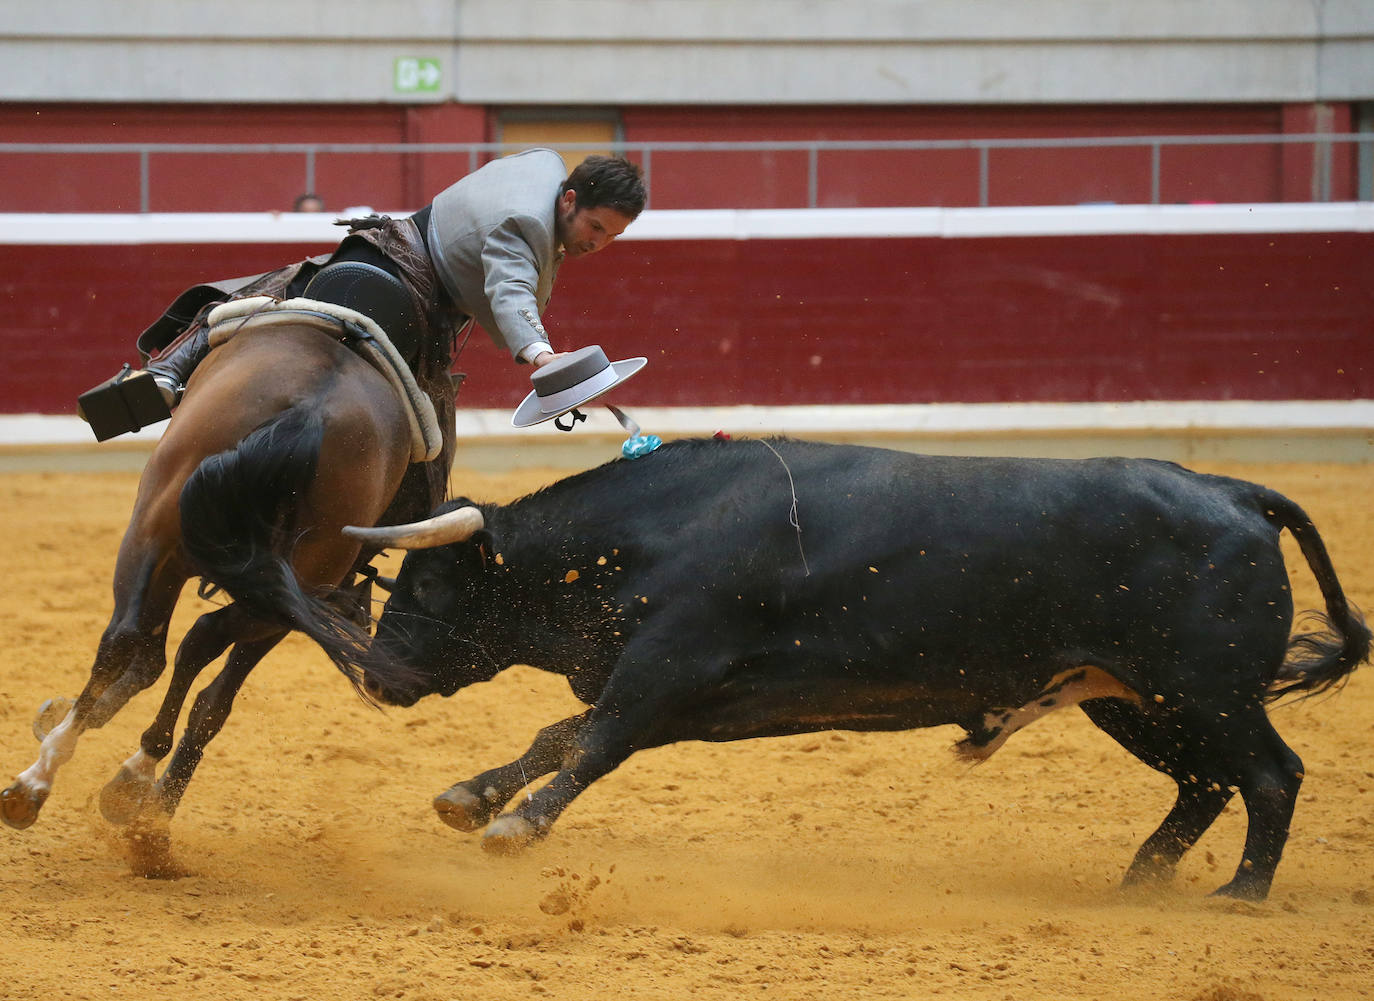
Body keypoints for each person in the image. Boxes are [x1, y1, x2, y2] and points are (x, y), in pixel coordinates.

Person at [78, 149, 647, 440]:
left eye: (612, 237)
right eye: (596, 228)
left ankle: (170, 372)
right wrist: (542, 356)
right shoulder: (526, 222)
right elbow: (510, 288)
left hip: (386, 249)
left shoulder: (543, 165)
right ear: (569, 200)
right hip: (412, 282)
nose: (597, 244)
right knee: (424, 416)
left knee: (276, 293)